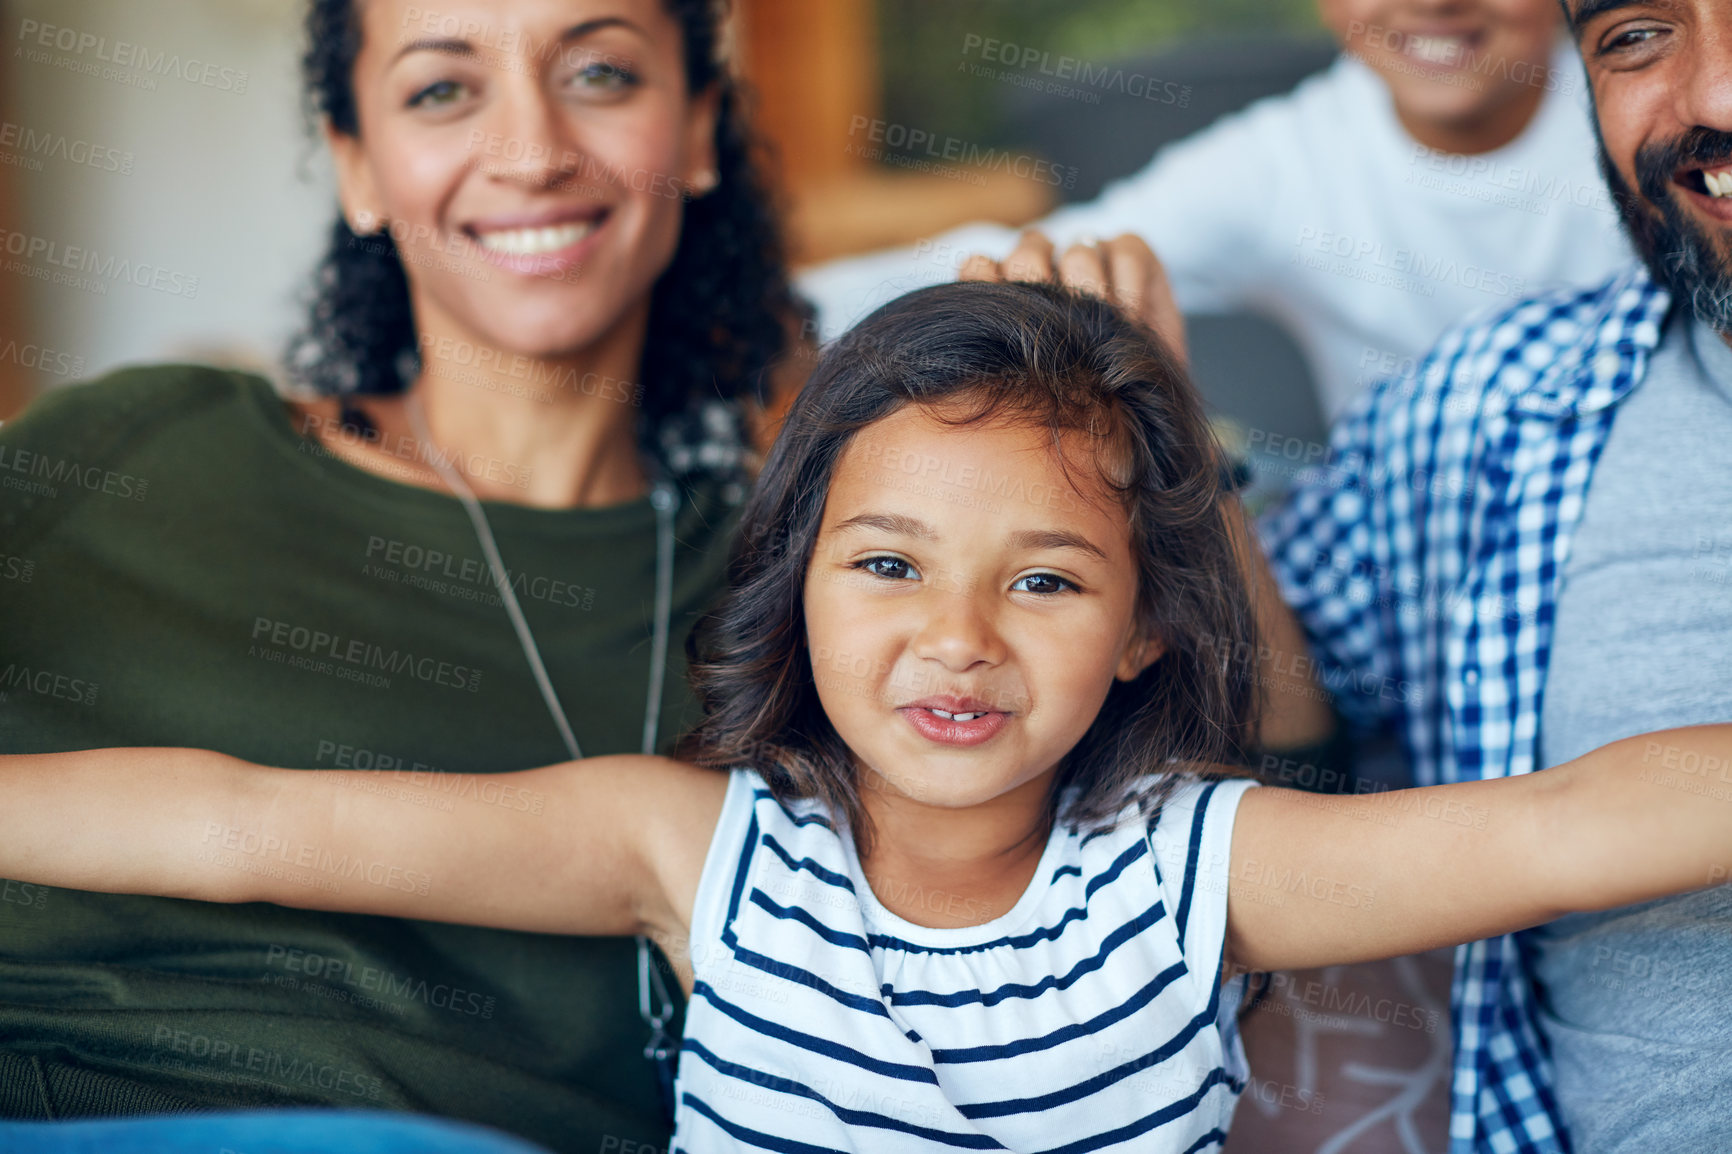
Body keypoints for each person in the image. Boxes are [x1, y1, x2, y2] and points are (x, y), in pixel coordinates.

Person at [2, 280, 1730, 1154]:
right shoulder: (686, 844)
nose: (955, 637)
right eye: (888, 563)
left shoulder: (1198, 870)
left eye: (1044, 580)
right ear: (798, 581)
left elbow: (1559, 823)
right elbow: (252, 819)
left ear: (1140, 628)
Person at [0, 0, 802, 1149]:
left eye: (601, 73)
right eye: (442, 88)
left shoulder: (815, 597)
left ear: (695, 129)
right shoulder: (139, 448)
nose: (531, 152)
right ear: (358, 167)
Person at [1259, 0, 1732, 1149]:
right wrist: (1164, 452)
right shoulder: (1487, 408)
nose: (1714, 99)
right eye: (1635, 36)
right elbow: (1257, 741)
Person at [797, 0, 1632, 421]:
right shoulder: (1289, 162)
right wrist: (770, 302)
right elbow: (1061, 248)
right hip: (1411, 570)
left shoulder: (1644, 114)